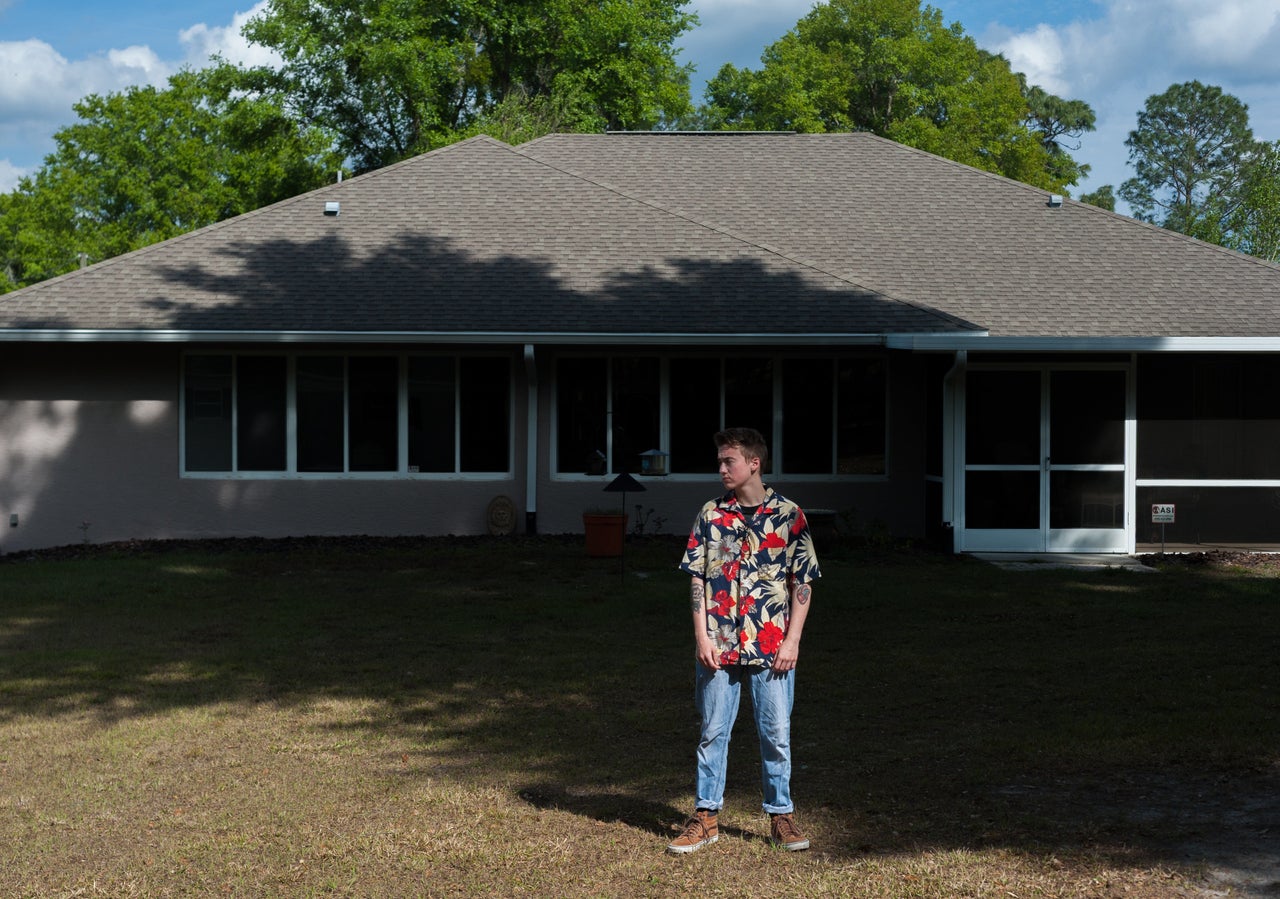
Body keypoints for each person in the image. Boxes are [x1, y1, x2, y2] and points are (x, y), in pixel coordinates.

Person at [667, 427, 821, 854]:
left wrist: (792, 642)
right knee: (712, 731)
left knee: (776, 733)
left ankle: (781, 816)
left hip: (772, 648)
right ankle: (706, 817)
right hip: (718, 645)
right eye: (719, 461)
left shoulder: (790, 516)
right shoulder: (710, 515)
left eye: (728, 461)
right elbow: (696, 577)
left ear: (754, 463)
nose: (721, 469)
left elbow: (802, 583)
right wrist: (701, 637)